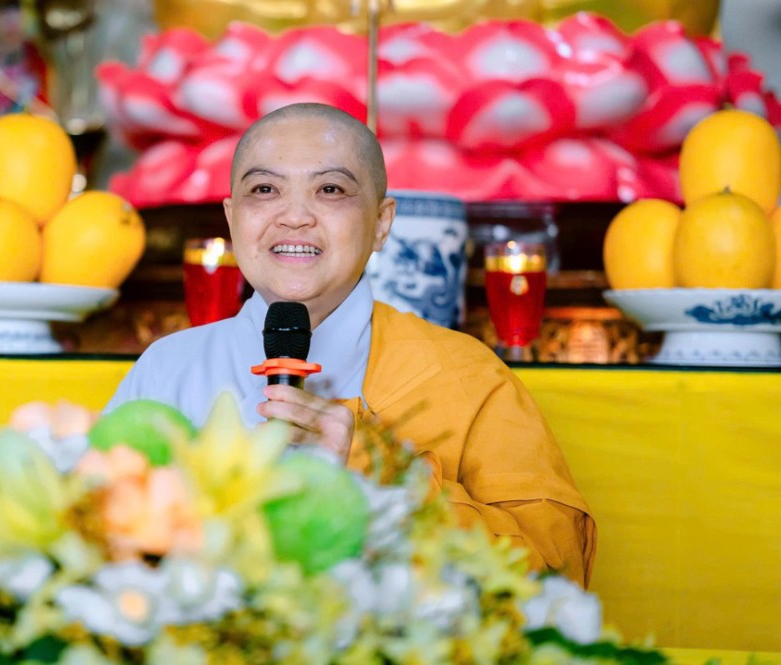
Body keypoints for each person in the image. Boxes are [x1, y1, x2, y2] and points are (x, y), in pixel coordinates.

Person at [107, 102, 596, 586]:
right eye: (265, 189)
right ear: (233, 220)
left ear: (381, 223)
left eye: (330, 189)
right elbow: (94, 545)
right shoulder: (169, 368)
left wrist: (375, 470)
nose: (294, 216)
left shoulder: (465, 375)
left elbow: (555, 572)